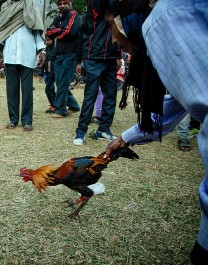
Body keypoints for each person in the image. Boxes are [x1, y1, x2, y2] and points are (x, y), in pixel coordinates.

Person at [103, 1, 208, 263]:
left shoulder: (161, 21)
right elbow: (173, 105)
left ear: (128, 20)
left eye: (111, 27)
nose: (113, 40)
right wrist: (124, 138)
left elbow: (201, 98)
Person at [72, 0, 121, 145]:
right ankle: (81, 132)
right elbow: (82, 34)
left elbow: (118, 29)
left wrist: (118, 55)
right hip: (94, 56)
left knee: (111, 94)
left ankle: (104, 129)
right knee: (90, 95)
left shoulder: (115, 9)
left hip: (111, 56)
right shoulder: (95, 4)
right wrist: (79, 59)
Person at [0, 0, 46, 132]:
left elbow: (36, 32)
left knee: (27, 90)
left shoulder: (30, 5)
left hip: (27, 55)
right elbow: (2, 32)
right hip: (10, 56)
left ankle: (27, 120)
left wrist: (42, 51)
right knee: (11, 90)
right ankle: (13, 119)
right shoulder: (6, 7)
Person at [46, 0, 82, 119]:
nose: (62, 6)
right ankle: (74, 105)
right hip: (59, 54)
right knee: (59, 82)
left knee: (63, 82)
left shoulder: (74, 15)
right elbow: (49, 32)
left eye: (64, 4)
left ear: (69, 4)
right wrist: (61, 30)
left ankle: (61, 109)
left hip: (71, 54)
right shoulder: (58, 17)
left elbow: (70, 32)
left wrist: (58, 32)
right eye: (60, 4)